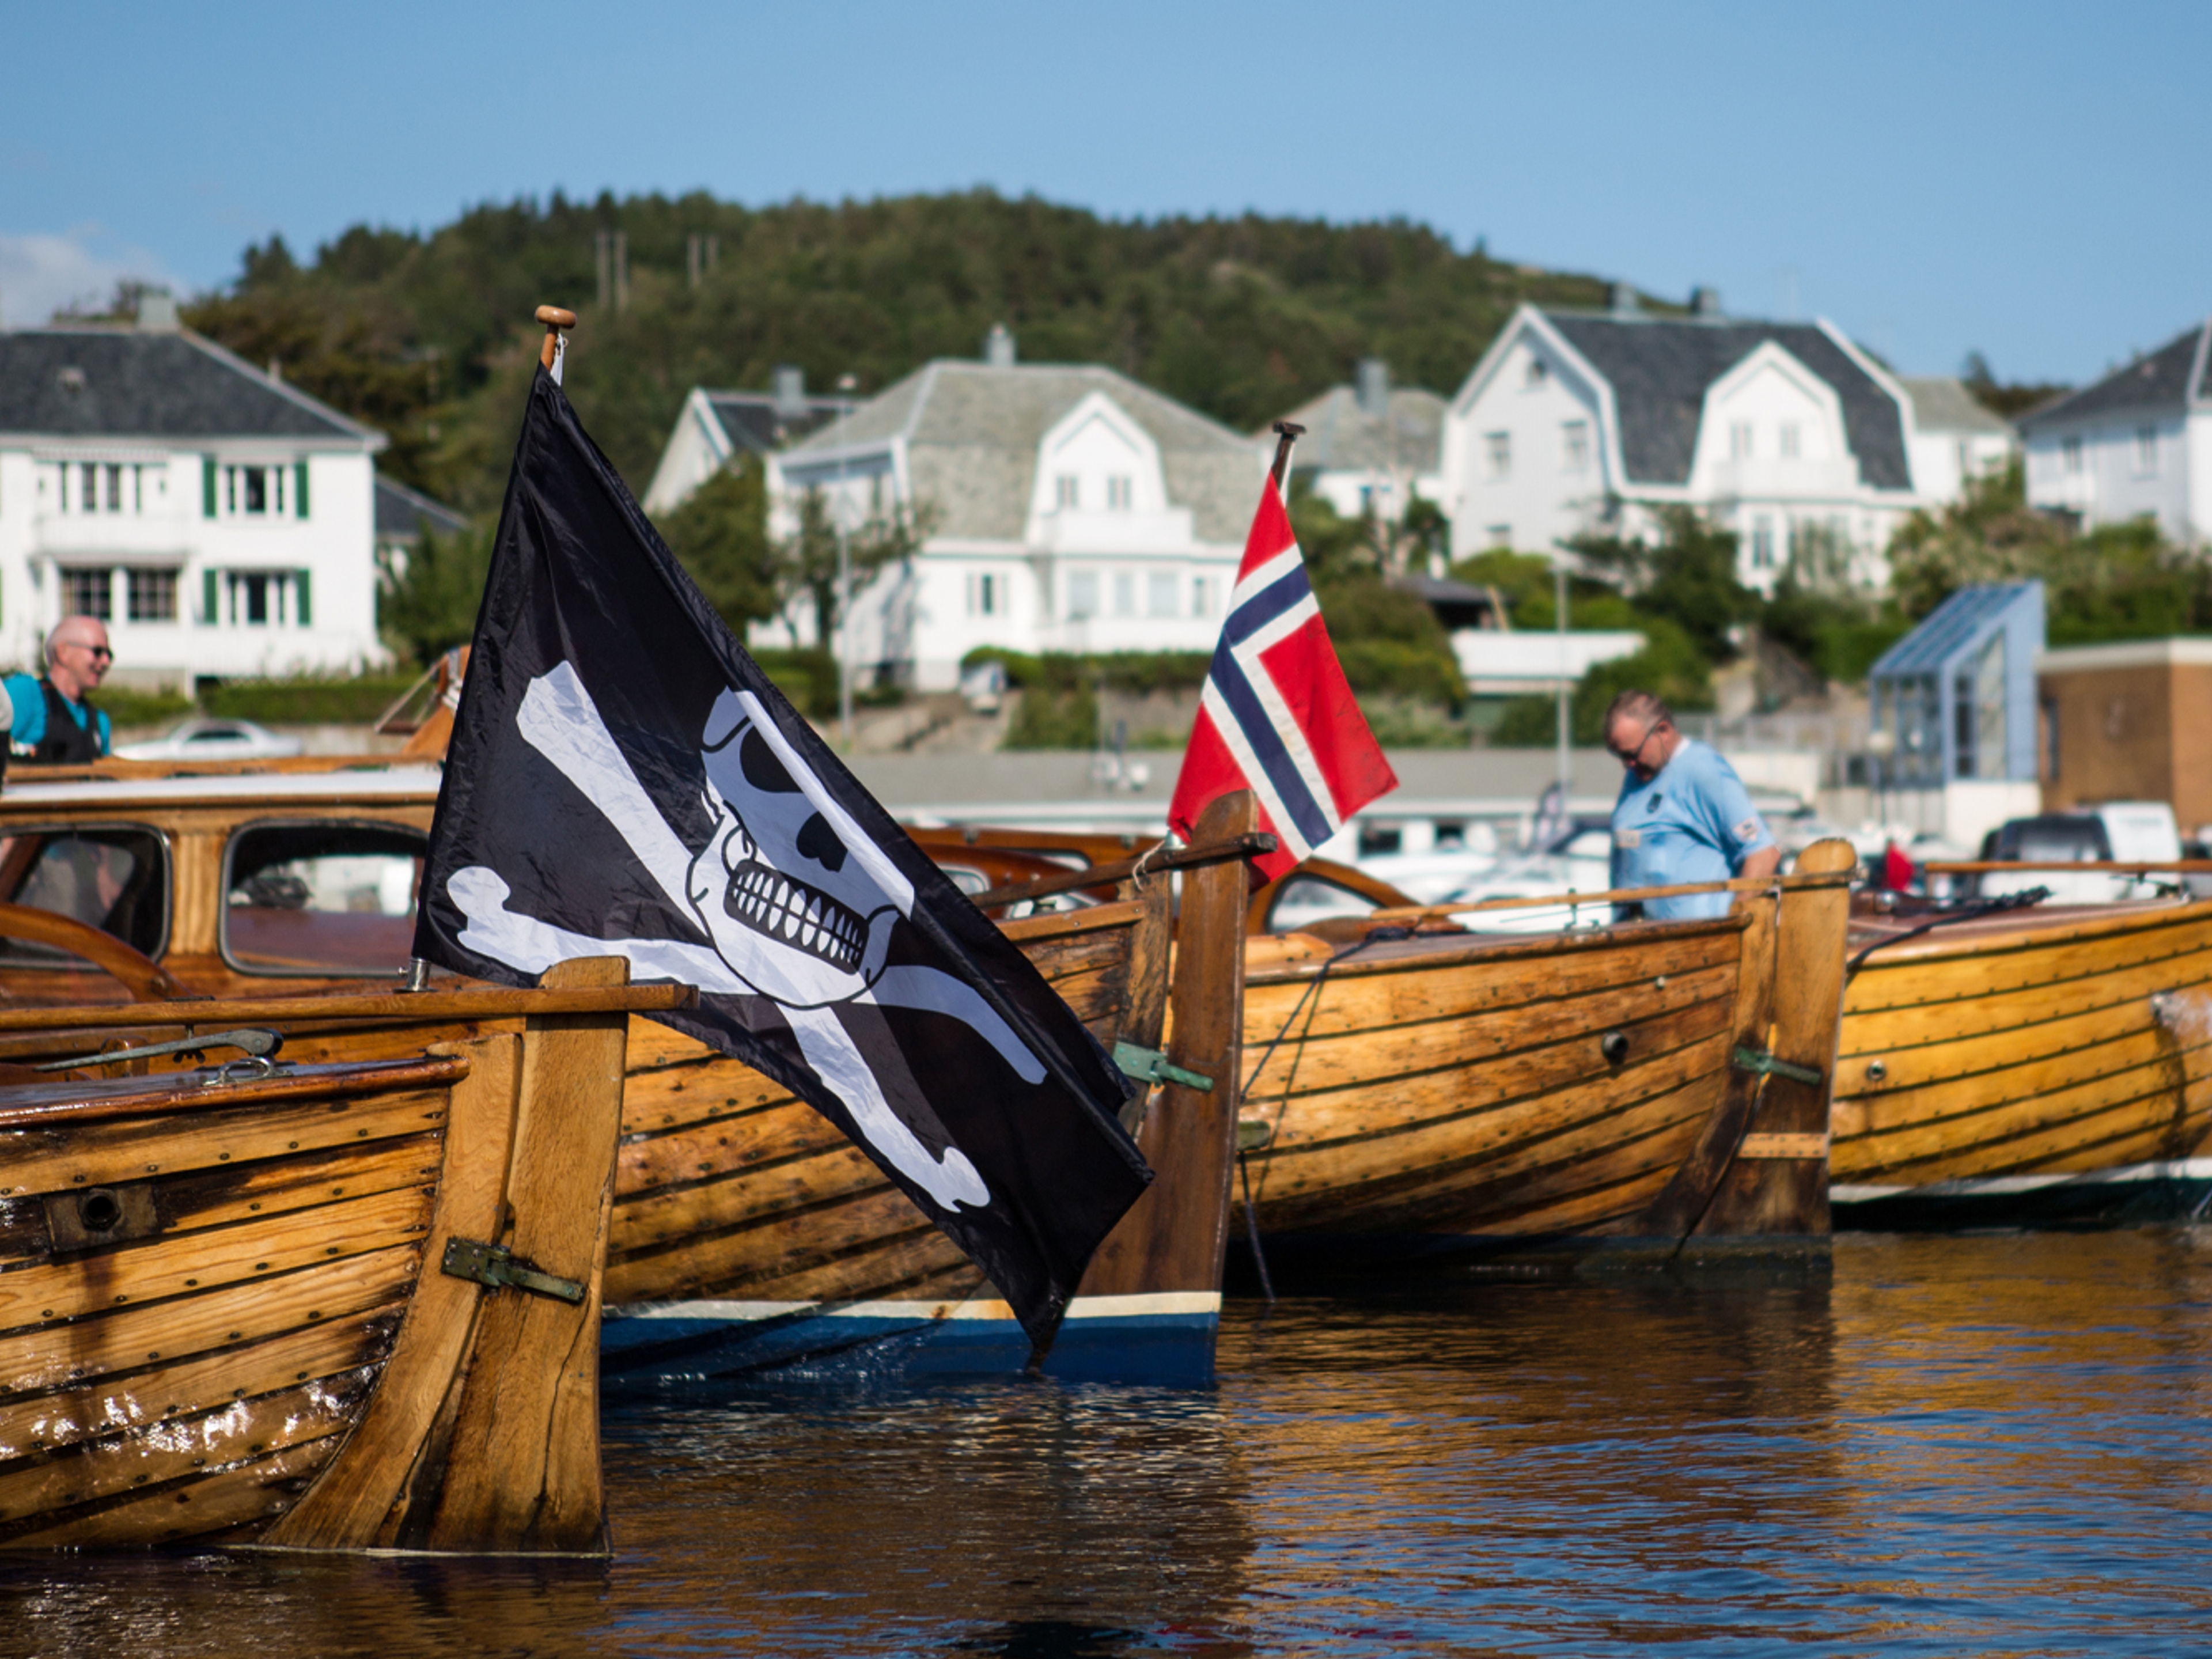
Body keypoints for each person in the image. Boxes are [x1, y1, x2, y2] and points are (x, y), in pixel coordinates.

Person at [1603, 690, 1778, 921]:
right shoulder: (1637, 775)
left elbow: (1763, 854)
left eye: (1632, 754)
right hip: (1639, 941)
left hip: (1698, 945)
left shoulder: (1703, 769)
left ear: (1663, 731)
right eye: (1620, 756)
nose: (1627, 764)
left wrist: (1733, 929)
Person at [7, 617, 115, 764]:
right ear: (63, 652)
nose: (106, 662)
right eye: (97, 652)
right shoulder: (25, 693)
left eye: (109, 654)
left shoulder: (100, 722)